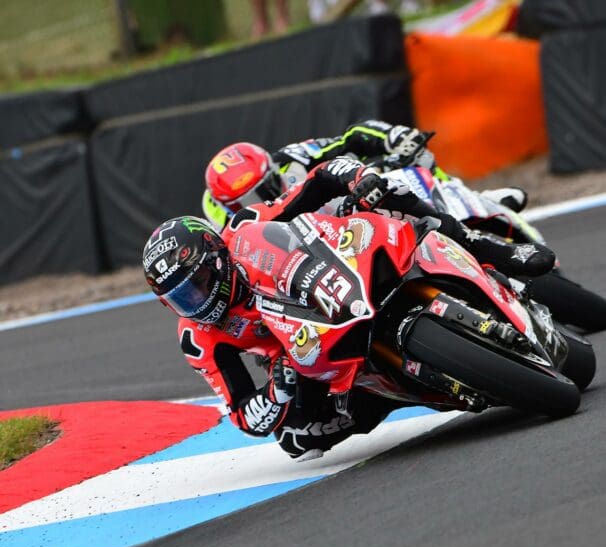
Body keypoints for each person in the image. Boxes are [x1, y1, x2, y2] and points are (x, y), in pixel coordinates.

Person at [144, 157, 554, 461]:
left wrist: (359, 180)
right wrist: (277, 390)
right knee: (296, 441)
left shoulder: (246, 228)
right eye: (181, 299)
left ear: (217, 257)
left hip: (333, 276)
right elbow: (244, 415)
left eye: (196, 285)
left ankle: (492, 248)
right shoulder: (198, 338)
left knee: (389, 200)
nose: (196, 302)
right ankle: (395, 392)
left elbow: (319, 179)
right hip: (301, 354)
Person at [201, 119, 527, 231]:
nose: (259, 200)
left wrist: (393, 137)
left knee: (416, 161)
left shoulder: (291, 159)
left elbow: (351, 137)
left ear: (272, 170)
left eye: (262, 189)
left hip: (359, 207)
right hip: (324, 255)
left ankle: (468, 198)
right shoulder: (225, 222)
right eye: (245, 200)